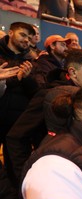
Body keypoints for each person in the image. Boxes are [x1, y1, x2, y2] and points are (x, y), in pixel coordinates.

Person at [6, 49, 82, 187]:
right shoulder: (49, 95)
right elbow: (16, 137)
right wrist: (25, 177)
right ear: (73, 72)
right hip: (50, 175)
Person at [0, 22, 35, 183]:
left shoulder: (32, 61)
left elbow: (36, 92)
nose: (27, 40)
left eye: (29, 37)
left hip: (17, 126)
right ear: (11, 33)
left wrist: (27, 79)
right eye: (23, 35)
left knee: (16, 170)